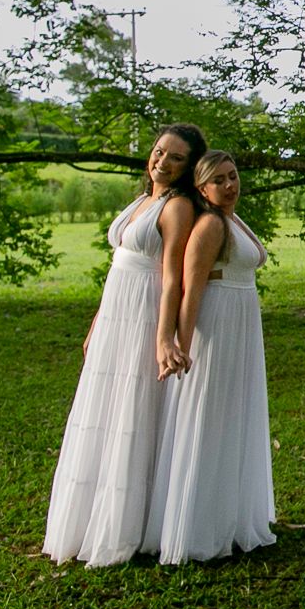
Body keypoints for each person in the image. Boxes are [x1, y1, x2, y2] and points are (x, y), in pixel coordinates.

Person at [44, 122, 210, 566]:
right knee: (102, 406)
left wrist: (164, 336)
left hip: (143, 313)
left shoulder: (176, 208)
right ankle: (88, 516)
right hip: (116, 311)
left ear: (189, 166)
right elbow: (118, 267)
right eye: (159, 152)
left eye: (176, 157)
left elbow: (171, 277)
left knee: (133, 409)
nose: (162, 161)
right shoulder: (142, 200)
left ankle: (128, 525)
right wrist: (98, 318)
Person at [144, 150, 277, 562]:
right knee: (210, 418)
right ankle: (197, 529)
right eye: (218, 180)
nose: (230, 185)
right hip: (217, 327)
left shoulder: (234, 219)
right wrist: (181, 345)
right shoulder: (208, 225)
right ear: (202, 188)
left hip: (243, 326)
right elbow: (190, 290)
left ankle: (232, 518)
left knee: (234, 418)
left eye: (233, 176)